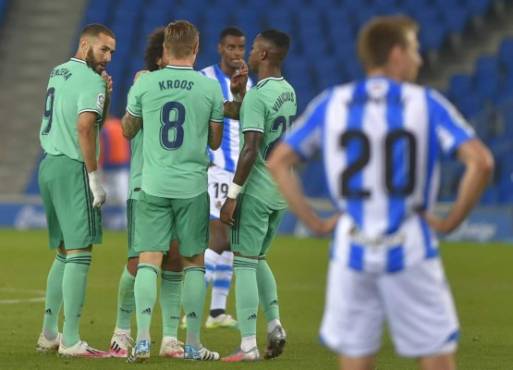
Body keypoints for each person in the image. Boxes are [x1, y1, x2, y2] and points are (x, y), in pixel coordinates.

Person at [268, 15, 494, 370]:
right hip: (410, 244)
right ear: (397, 53)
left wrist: (315, 221)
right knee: (436, 356)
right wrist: (450, 221)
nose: (420, 59)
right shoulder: (425, 103)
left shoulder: (334, 102)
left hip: (351, 247)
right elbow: (481, 163)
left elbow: (279, 161)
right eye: (415, 50)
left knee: (356, 361)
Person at [121, 20, 246, 362]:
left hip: (153, 184)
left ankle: (143, 340)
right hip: (192, 186)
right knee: (192, 262)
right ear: (196, 48)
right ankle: (191, 343)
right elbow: (215, 140)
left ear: (164, 50)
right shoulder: (208, 89)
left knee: (149, 258)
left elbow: (128, 130)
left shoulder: (146, 83)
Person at [35, 24, 115, 358]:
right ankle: (71, 340)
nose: (108, 58)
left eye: (112, 52)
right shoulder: (91, 79)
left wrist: (105, 98)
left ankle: (49, 334)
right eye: (103, 49)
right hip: (72, 168)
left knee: (65, 252)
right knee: (80, 253)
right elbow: (85, 127)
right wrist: (94, 177)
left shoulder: (59, 71)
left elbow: (87, 118)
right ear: (85, 45)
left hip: (49, 165)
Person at [219, 29, 296, 362]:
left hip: (258, 190)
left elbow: (250, 148)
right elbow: (257, 121)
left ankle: (248, 344)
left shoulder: (258, 96)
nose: (247, 53)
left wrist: (233, 194)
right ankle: (275, 324)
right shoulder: (287, 91)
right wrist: (239, 97)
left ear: (264, 55)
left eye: (253, 48)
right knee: (259, 259)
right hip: (281, 192)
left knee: (245, 263)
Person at [109, 27, 184, 360]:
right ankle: (121, 332)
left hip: (179, 188)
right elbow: (129, 129)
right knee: (138, 262)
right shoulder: (143, 84)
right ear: (159, 58)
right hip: (143, 183)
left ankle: (170, 338)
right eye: (170, 53)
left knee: (175, 260)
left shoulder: (188, 89)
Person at [199, 26, 253, 329]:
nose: (236, 53)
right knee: (218, 236)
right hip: (217, 167)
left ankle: (217, 312)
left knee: (231, 242)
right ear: (220, 48)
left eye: (241, 47)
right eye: (231, 47)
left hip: (238, 170)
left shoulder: (247, 83)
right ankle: (189, 305)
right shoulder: (204, 79)